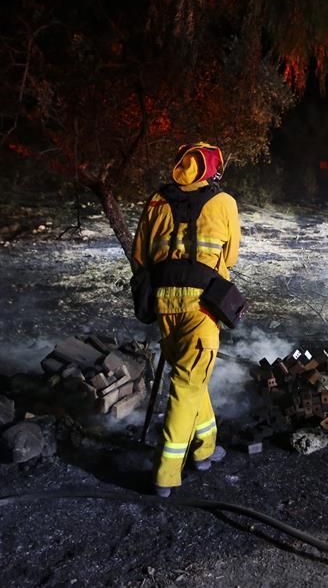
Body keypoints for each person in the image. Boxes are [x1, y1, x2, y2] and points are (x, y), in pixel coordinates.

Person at [132, 142, 240, 497]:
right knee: (185, 384)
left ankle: (206, 446)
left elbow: (140, 256)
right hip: (202, 307)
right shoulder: (223, 202)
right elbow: (233, 256)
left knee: (192, 376)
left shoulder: (156, 202)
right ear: (212, 170)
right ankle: (166, 473)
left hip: (165, 304)